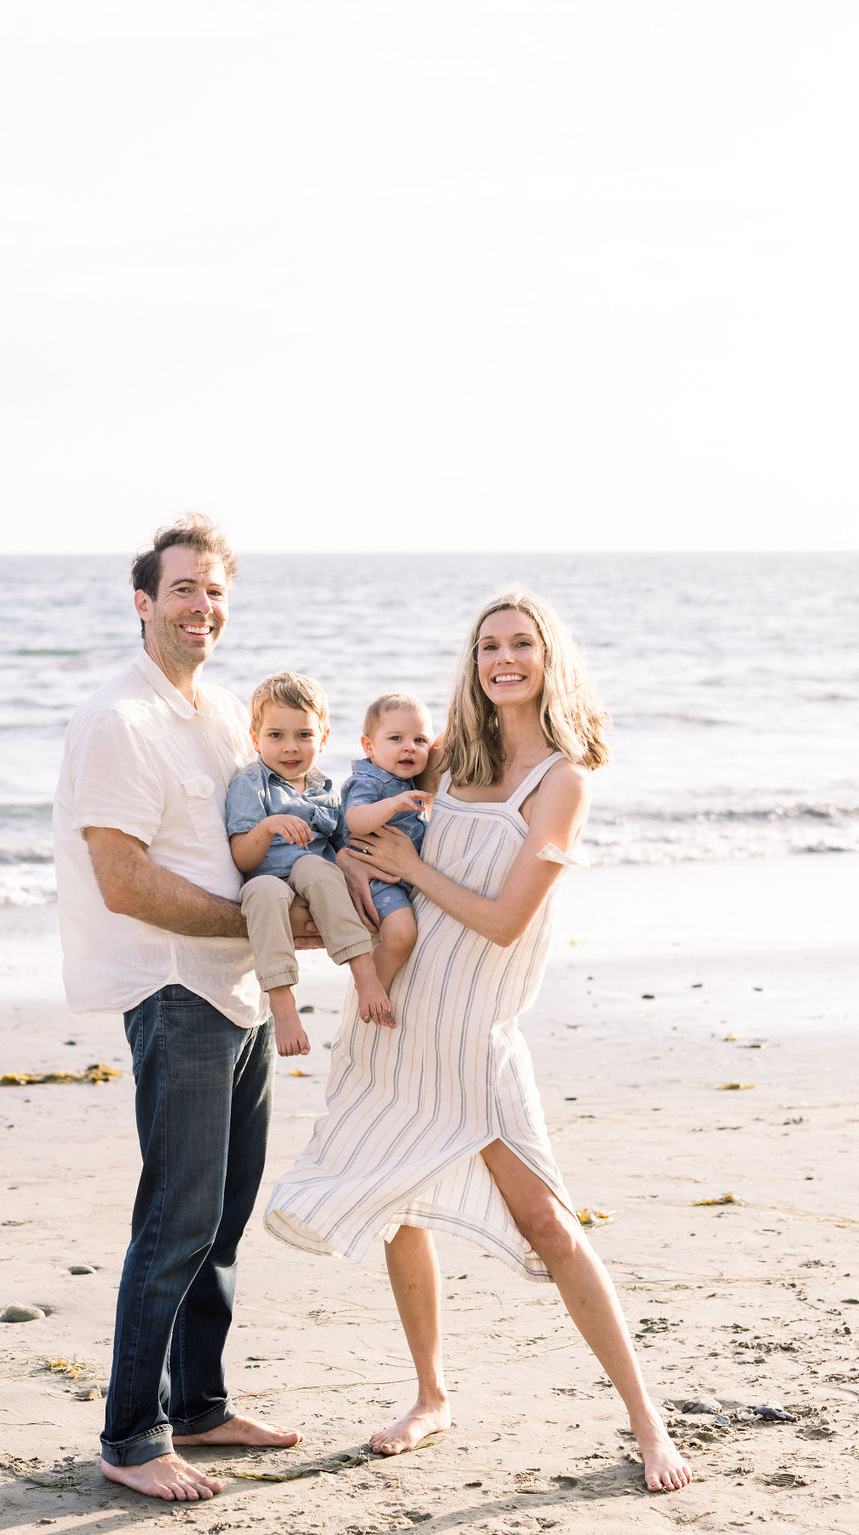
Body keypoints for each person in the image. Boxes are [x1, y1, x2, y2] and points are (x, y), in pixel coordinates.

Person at [265, 590, 692, 1494]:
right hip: (397, 1015)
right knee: (400, 1201)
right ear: (474, 661)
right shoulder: (449, 759)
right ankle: (430, 1395)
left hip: (477, 1030)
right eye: (489, 644)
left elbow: (504, 921)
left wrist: (413, 869)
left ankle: (648, 1423)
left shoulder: (563, 781)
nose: (504, 657)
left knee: (549, 1221)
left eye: (521, 643)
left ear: (548, 657)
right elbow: (350, 824)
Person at [53, 516, 369, 1503]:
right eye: (184, 588)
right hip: (173, 989)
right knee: (176, 1218)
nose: (202, 607)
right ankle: (130, 1433)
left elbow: (276, 820)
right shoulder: (120, 719)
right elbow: (122, 878)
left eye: (215, 592)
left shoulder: (222, 709)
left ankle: (199, 1405)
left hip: (236, 990)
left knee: (223, 1218)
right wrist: (250, 922)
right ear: (143, 600)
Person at [225, 672, 394, 1058]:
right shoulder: (251, 784)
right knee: (265, 892)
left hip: (310, 875)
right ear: (255, 738)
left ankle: (364, 973)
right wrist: (268, 827)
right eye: (275, 736)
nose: (290, 747)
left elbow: (341, 849)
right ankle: (284, 1007)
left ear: (324, 737)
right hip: (265, 878)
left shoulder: (326, 790)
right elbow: (241, 857)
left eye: (304, 735)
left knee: (316, 868)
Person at [340, 692, 434, 992]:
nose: (410, 747)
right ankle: (372, 987)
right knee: (401, 935)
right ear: (369, 746)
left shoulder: (403, 781)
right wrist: (392, 805)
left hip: (400, 874)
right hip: (378, 876)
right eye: (396, 738)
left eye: (420, 741)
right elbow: (355, 819)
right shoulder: (370, 782)